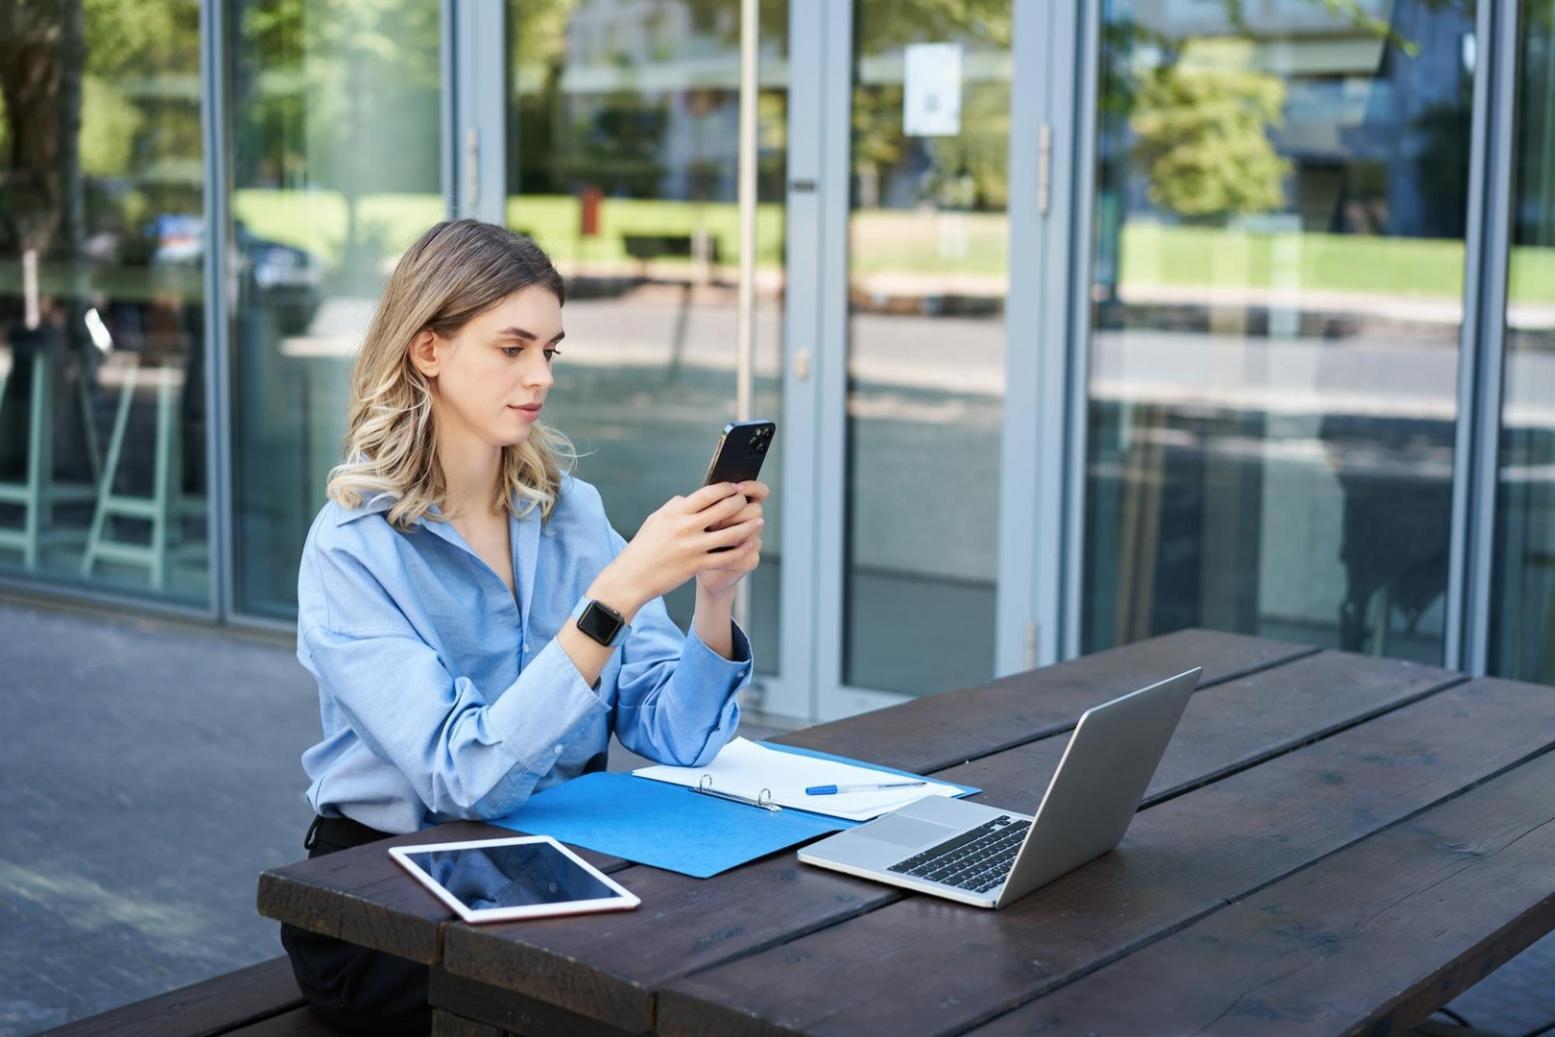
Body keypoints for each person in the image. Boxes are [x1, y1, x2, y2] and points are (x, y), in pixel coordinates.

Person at [279, 219, 766, 1035]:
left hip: (558, 861)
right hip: (384, 895)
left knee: (734, 958)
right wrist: (611, 598)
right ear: (428, 349)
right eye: (512, 348)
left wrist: (712, 598)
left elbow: (674, 733)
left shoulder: (571, 512)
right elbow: (465, 777)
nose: (539, 375)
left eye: (551, 350)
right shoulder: (351, 549)